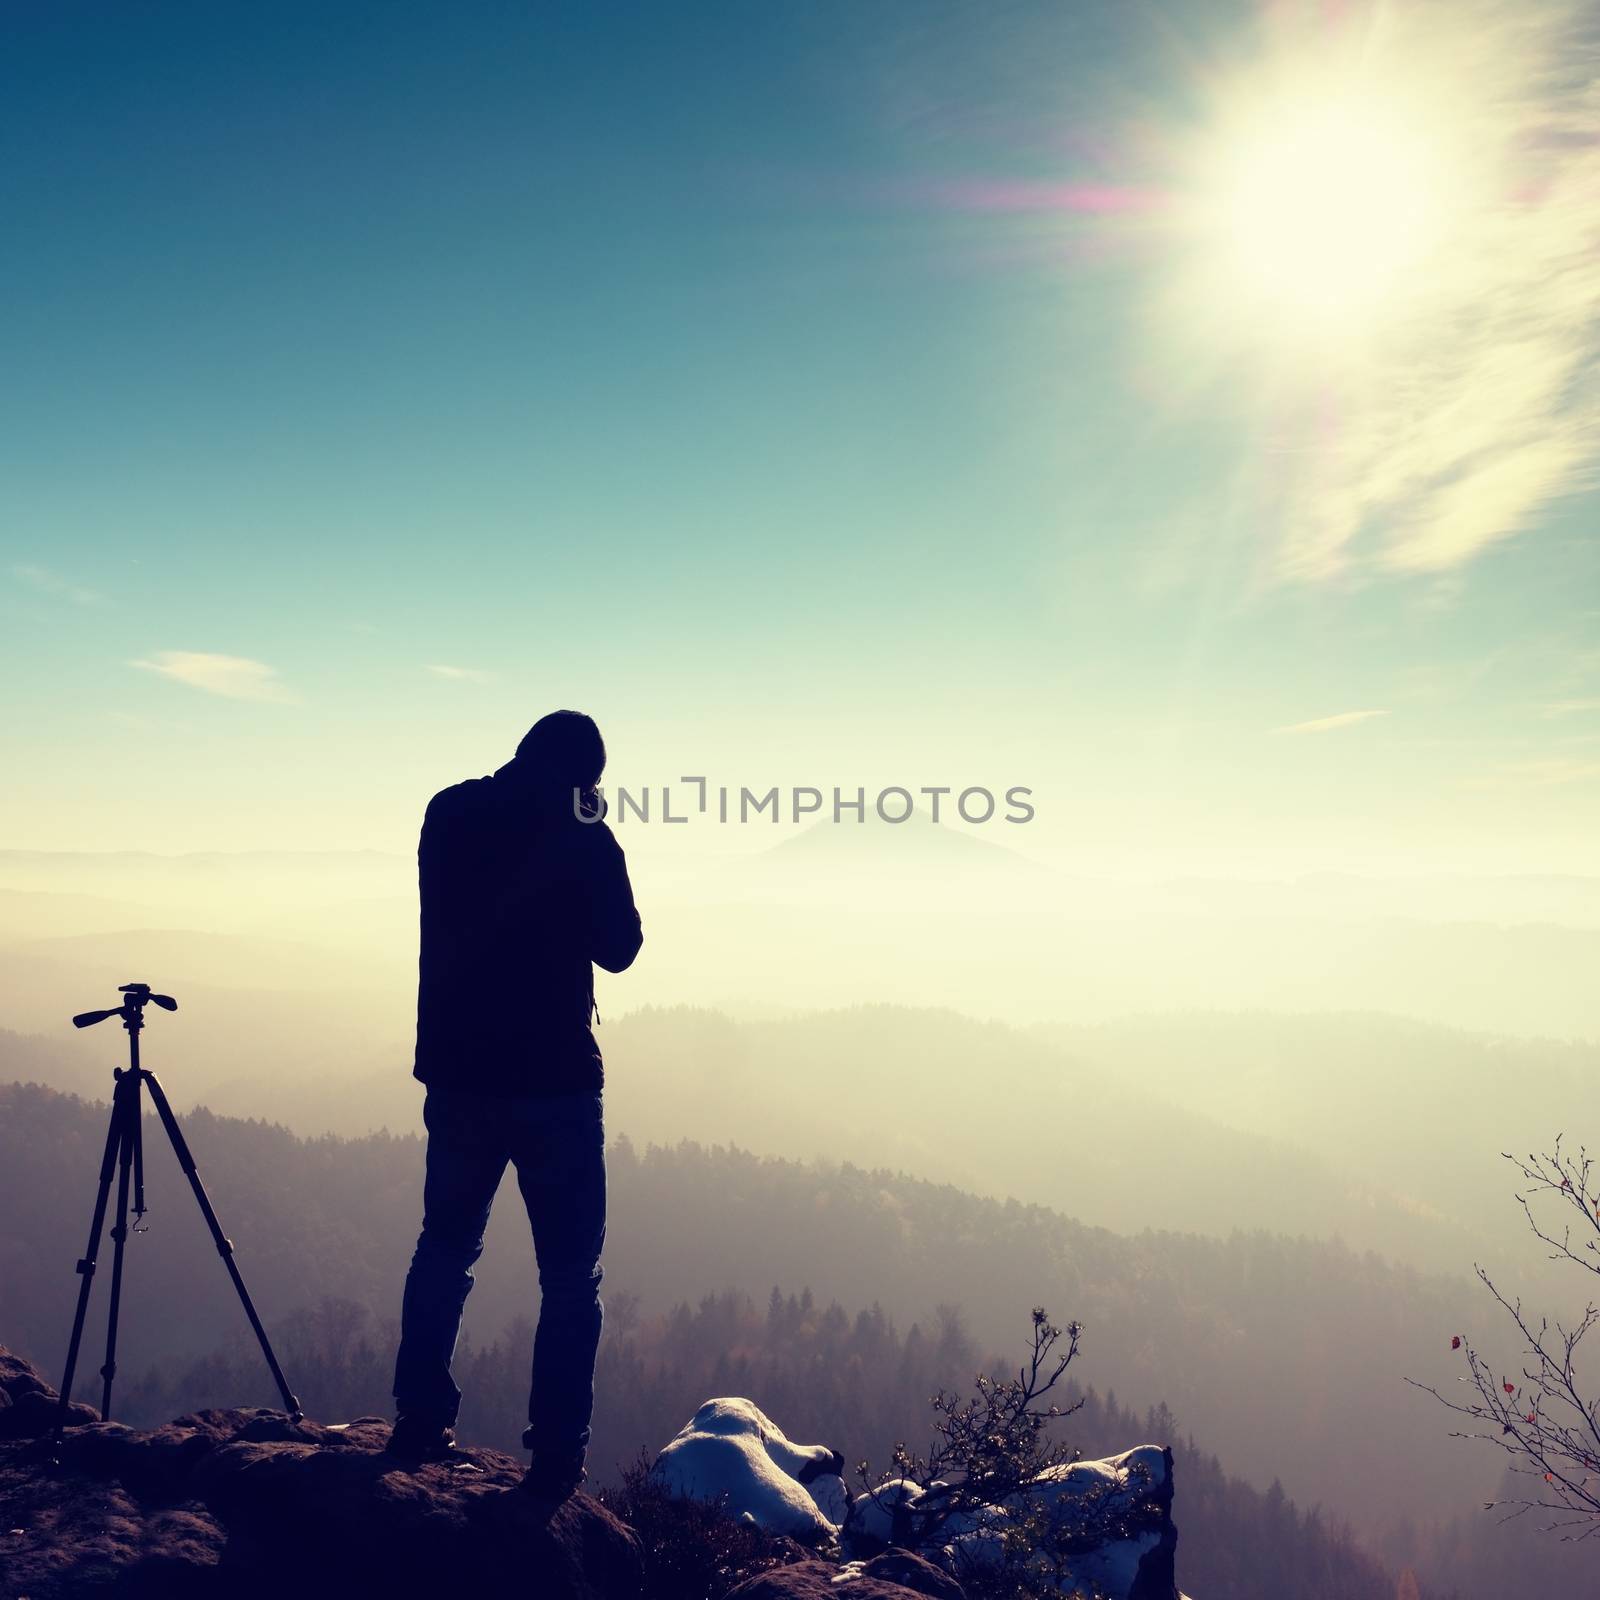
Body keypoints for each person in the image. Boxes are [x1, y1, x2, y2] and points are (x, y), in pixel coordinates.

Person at [389, 710, 642, 1500]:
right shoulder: (582, 833)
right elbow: (621, 946)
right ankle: (558, 1453)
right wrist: (594, 828)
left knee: (445, 1248)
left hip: (461, 1076)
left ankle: (419, 1419)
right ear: (585, 779)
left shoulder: (449, 812)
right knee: (570, 1280)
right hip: (556, 1084)